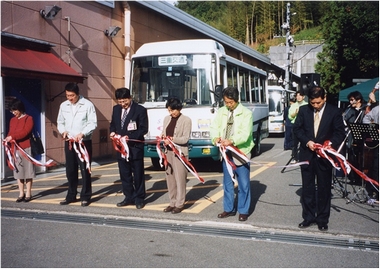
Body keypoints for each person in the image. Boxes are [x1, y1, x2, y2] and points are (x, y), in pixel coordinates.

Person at [293, 86, 345, 232]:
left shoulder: (334, 112)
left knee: (324, 188)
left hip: (324, 156)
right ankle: (308, 217)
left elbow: (339, 133)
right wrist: (307, 142)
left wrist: (329, 144)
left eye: (318, 102)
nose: (315, 105)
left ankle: (322, 219)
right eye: (313, 103)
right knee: (308, 188)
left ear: (324, 98)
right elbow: (297, 129)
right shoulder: (304, 110)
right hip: (307, 155)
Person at [210, 86, 254, 222]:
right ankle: (228, 209)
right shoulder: (222, 111)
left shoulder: (246, 113)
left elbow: (245, 134)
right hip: (225, 151)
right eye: (226, 102)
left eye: (231, 102)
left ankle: (243, 210)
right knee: (227, 183)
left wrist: (232, 141)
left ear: (236, 99)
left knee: (244, 184)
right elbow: (215, 127)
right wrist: (215, 138)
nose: (228, 105)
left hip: (240, 151)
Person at [57, 83, 97, 207]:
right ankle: (71, 195)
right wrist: (63, 131)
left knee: (85, 169)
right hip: (69, 142)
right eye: (67, 95)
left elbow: (92, 123)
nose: (69, 98)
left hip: (83, 142)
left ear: (78, 94)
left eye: (72, 95)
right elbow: (60, 121)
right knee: (70, 170)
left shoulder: (88, 105)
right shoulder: (63, 105)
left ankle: (85, 196)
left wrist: (83, 133)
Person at [110, 87, 148, 209]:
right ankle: (128, 196)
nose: (122, 104)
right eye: (120, 102)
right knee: (124, 173)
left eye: (124, 101)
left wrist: (129, 136)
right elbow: (113, 124)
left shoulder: (140, 110)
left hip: (134, 147)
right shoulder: (116, 109)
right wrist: (112, 132)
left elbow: (143, 129)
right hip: (121, 148)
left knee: (138, 174)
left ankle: (139, 198)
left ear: (130, 98)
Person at [161, 97, 192, 214]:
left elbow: (185, 138)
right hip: (167, 151)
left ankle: (179, 204)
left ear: (179, 108)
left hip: (180, 152)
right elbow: (164, 132)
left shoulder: (186, 120)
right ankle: (172, 202)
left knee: (180, 178)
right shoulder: (166, 119)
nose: (171, 112)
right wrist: (163, 137)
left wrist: (173, 139)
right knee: (170, 178)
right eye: (169, 110)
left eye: (173, 110)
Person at [4, 99, 35, 202]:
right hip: (15, 149)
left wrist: (12, 137)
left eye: (15, 110)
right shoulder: (12, 120)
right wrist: (7, 139)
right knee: (18, 172)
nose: (13, 113)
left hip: (26, 148)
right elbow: (10, 132)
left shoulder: (28, 118)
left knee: (28, 172)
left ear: (20, 109)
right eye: (12, 111)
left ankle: (28, 193)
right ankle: (21, 193)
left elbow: (25, 132)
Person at [288, 91, 308, 162]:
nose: (299, 97)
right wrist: (295, 113)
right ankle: (294, 157)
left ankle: (305, 157)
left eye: (300, 95)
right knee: (294, 143)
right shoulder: (293, 105)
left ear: (303, 97)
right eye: (297, 96)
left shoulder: (307, 105)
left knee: (305, 142)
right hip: (295, 126)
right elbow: (290, 117)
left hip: (304, 126)